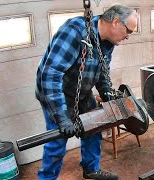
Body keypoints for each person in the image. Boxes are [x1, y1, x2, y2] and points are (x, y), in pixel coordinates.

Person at [35, 4, 138, 180]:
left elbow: (102, 71)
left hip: (82, 92)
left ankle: (91, 169)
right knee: (57, 143)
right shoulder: (74, 31)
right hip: (56, 93)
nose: (128, 36)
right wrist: (62, 117)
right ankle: (47, 178)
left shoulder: (108, 42)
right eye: (128, 31)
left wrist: (106, 92)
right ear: (115, 22)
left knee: (95, 128)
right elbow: (50, 75)